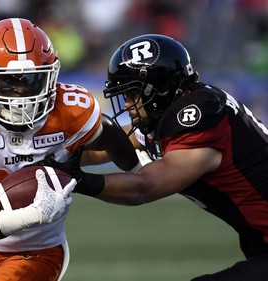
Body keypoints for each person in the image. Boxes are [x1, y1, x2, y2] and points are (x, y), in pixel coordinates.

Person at [46, 34, 268, 280]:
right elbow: (111, 150)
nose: (128, 105)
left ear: (162, 89)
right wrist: (47, 153)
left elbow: (143, 187)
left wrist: (78, 179)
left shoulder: (197, 115)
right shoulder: (173, 112)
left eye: (132, 94)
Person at [0, 18, 139, 281]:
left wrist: (139, 167)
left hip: (37, 250)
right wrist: (33, 214)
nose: (21, 93)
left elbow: (108, 131)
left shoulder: (71, 110)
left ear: (51, 76)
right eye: (9, 82)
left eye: (32, 81)